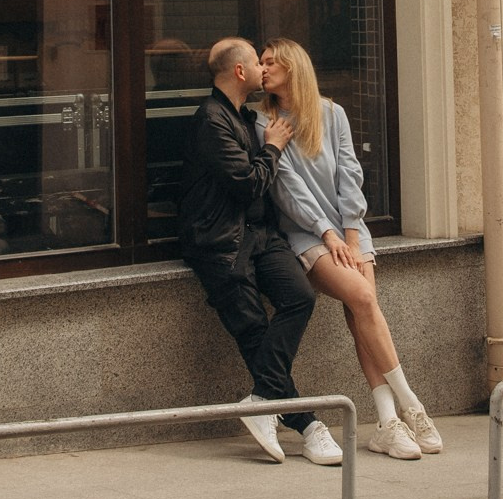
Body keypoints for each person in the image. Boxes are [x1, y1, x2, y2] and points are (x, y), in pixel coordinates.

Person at [256, 38, 442, 460]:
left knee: (362, 313)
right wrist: (328, 235)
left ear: (292, 66)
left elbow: (350, 174)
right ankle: (412, 403)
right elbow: (288, 189)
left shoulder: (331, 113)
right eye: (260, 63)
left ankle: (387, 424)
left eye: (270, 62)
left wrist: (353, 237)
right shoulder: (264, 121)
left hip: (350, 231)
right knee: (362, 296)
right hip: (307, 234)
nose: (262, 69)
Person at [176, 36, 343, 466]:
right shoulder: (211, 119)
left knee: (300, 297)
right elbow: (247, 184)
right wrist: (272, 147)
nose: (263, 69)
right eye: (257, 62)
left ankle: (261, 399)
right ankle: (308, 424)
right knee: (253, 331)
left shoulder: (247, 116)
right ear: (239, 72)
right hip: (220, 244)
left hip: (261, 236)